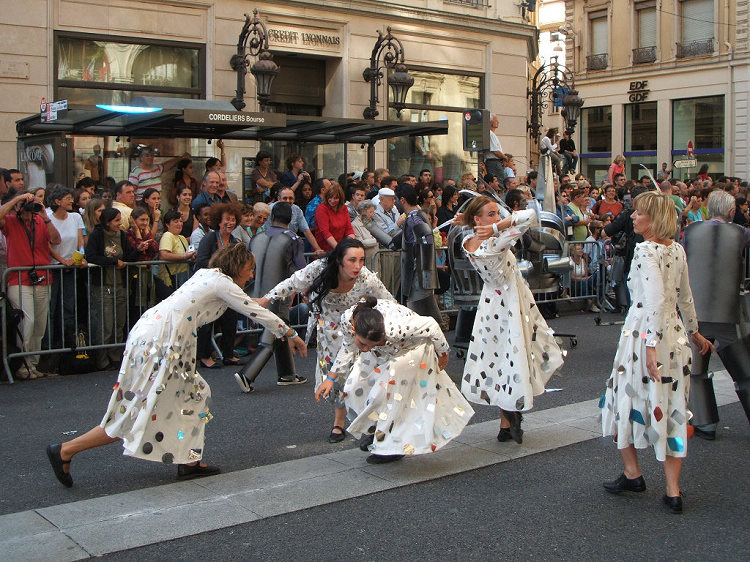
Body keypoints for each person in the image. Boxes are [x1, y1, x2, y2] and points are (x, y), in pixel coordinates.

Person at [46, 244, 306, 487]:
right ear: (237, 267)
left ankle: (189, 460)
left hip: (156, 337)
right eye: (249, 269)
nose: (251, 274)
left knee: (195, 395)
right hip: (162, 343)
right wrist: (291, 334)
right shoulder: (220, 283)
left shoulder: (209, 276)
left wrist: (272, 300)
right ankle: (66, 450)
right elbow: (255, 311)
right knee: (135, 410)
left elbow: (251, 305)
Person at [600, 191, 713, 515]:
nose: (632, 217)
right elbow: (685, 296)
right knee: (673, 408)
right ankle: (672, 490)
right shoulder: (676, 250)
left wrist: (649, 346)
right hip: (674, 338)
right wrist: (693, 331)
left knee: (624, 399)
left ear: (653, 219)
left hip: (642, 338)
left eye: (637, 213)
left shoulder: (645, 250)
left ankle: (633, 472)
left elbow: (652, 300)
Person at [257, 238, 395, 443]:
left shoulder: (366, 278)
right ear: (339, 260)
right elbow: (292, 283)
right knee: (333, 377)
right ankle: (338, 423)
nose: (357, 266)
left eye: (361, 260)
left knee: (363, 375)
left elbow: (389, 301)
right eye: (352, 260)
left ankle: (370, 424)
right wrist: (266, 299)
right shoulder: (320, 268)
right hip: (328, 330)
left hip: (357, 331)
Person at [317, 297, 474, 464]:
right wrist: (330, 378)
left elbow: (431, 325)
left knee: (388, 395)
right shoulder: (349, 320)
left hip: (412, 349)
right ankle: (376, 431)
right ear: (354, 329)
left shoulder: (396, 328)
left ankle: (390, 447)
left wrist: (443, 353)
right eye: (362, 344)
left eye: (369, 344)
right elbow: (348, 348)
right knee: (355, 386)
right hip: (384, 352)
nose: (365, 348)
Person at [459, 196, 564, 443]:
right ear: (478, 219)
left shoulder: (468, 241)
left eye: (498, 214)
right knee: (514, 358)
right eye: (492, 214)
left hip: (490, 304)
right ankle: (511, 413)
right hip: (511, 302)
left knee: (499, 360)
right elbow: (528, 215)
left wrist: (478, 224)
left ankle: (506, 423)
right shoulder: (497, 242)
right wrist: (497, 228)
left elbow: (473, 229)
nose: (498, 218)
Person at [683, 190, 750, 437]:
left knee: (697, 371)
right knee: (745, 372)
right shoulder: (740, 234)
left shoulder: (690, 233)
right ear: (732, 212)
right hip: (729, 311)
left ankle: (705, 423)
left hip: (696, 311)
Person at [237, 202, 308, 392]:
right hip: (279, 292)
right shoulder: (293, 239)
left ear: (271, 217)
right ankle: (248, 374)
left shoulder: (257, 237)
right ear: (291, 219)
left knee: (281, 329)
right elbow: (301, 271)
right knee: (276, 329)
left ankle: (287, 374)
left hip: (255, 290)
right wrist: (305, 291)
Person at [0, 191, 61, 379]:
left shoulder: (40, 221)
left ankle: (32, 365)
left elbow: (56, 240)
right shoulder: (10, 221)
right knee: (28, 323)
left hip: (42, 277)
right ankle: (22, 364)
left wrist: (44, 215)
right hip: (19, 279)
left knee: (39, 326)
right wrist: (18, 200)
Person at [85, 207, 140, 371]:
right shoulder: (97, 235)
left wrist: (138, 250)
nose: (119, 223)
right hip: (103, 285)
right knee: (106, 325)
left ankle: (116, 357)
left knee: (118, 323)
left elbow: (128, 257)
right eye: (116, 220)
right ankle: (102, 359)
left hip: (120, 284)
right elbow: (91, 256)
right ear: (107, 222)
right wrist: (113, 262)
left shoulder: (122, 235)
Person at [195, 202, 243, 368]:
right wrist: (219, 268)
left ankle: (229, 354)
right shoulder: (209, 238)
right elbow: (201, 261)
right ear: (219, 221)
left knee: (231, 319)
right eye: (227, 219)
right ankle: (204, 356)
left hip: (227, 286)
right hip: (208, 286)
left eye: (233, 220)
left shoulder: (234, 241)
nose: (230, 223)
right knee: (207, 322)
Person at [46, 185, 86, 352]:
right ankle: (50, 346)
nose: (71, 201)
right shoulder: (48, 217)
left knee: (69, 308)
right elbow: (47, 245)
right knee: (51, 308)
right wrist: (62, 260)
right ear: (57, 201)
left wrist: (80, 257)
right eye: (68, 198)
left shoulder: (76, 216)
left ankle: (67, 345)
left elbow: (80, 240)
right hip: (53, 267)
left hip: (71, 267)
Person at [156, 209, 196, 300]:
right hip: (170, 280)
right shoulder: (167, 235)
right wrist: (185, 257)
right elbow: (163, 255)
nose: (179, 224)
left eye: (181, 221)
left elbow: (188, 253)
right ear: (167, 224)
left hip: (183, 277)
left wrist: (192, 256)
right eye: (176, 221)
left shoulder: (182, 238)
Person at [314, 182, 355, 252]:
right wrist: (338, 249)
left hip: (340, 248)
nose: (332, 201)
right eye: (330, 197)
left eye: (336, 198)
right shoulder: (321, 209)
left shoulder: (344, 208)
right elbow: (325, 232)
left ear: (340, 198)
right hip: (324, 250)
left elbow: (349, 229)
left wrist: (350, 245)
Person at [351, 200, 379, 264]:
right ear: (363, 211)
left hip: (375, 257)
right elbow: (360, 242)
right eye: (370, 212)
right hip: (366, 259)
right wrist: (375, 240)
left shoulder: (372, 222)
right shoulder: (355, 224)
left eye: (373, 212)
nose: (372, 215)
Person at [484, 113, 506, 182]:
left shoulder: (492, 134)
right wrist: (504, 157)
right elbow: (495, 151)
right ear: (491, 122)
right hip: (493, 162)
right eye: (496, 120)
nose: (498, 122)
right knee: (500, 181)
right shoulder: (490, 133)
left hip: (495, 161)